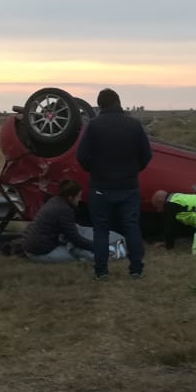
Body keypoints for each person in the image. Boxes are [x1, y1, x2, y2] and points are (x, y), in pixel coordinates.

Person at [75, 88, 151, 281]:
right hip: (129, 186)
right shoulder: (134, 125)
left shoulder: (93, 126)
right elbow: (146, 155)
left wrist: (95, 171)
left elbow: (81, 156)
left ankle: (101, 271)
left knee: (101, 229)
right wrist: (133, 171)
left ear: (100, 105)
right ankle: (136, 269)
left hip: (100, 187)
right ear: (118, 102)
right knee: (132, 226)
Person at [20, 180, 96, 264]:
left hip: (29, 246)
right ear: (70, 197)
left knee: (75, 232)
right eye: (78, 196)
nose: (80, 199)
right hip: (39, 252)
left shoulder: (55, 200)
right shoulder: (65, 210)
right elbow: (75, 239)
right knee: (78, 256)